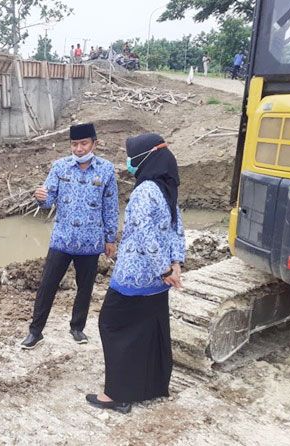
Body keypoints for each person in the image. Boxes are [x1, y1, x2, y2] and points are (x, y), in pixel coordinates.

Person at [86, 132, 185, 414]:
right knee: (148, 330)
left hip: (134, 277)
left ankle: (114, 395)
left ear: (144, 158)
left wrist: (165, 267)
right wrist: (174, 264)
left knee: (111, 325)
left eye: (131, 156)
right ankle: (151, 386)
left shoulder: (144, 191)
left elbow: (144, 233)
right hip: (158, 281)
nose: (128, 162)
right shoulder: (168, 188)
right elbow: (177, 228)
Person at [21, 123, 119, 349]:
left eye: (84, 144)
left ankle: (77, 328)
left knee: (84, 287)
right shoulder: (60, 167)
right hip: (62, 239)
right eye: (74, 144)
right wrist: (40, 197)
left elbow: (110, 207)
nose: (79, 149)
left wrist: (110, 239)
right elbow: (47, 201)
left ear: (94, 143)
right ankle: (35, 332)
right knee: (47, 286)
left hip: (91, 241)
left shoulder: (105, 170)